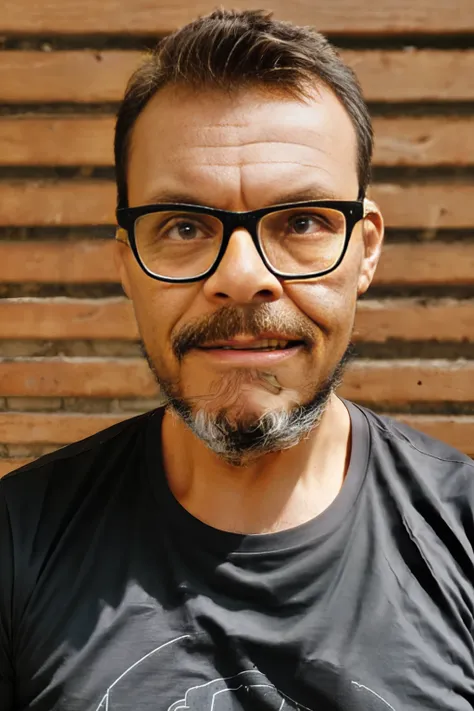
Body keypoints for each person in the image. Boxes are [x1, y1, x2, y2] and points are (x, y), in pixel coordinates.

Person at [1, 9, 473, 710]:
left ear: (365, 250)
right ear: (127, 259)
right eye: (186, 226)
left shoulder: (461, 537)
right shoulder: (18, 542)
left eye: (303, 221)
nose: (243, 274)